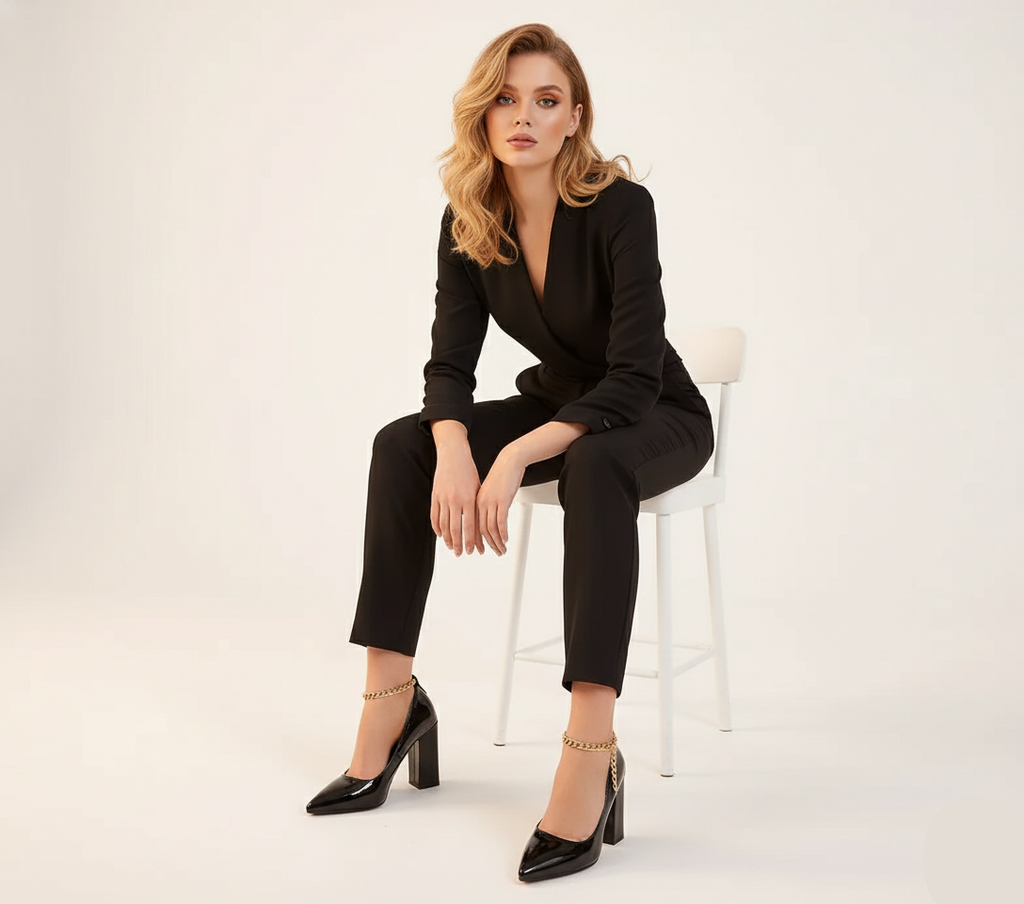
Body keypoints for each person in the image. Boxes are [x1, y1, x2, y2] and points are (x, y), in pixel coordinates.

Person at [305, 22, 714, 882]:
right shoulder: (469, 219)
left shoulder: (621, 209)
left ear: (574, 119)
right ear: (482, 114)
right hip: (562, 405)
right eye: (505, 96)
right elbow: (448, 366)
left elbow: (635, 375)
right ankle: (390, 703)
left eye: (546, 99)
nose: (523, 115)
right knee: (401, 446)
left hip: (656, 414)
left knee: (599, 465)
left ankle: (590, 748)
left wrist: (517, 450)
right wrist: (456, 446)